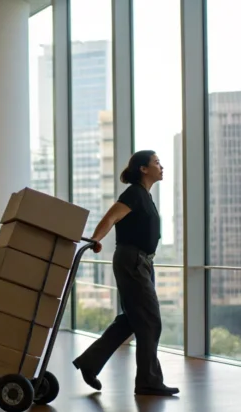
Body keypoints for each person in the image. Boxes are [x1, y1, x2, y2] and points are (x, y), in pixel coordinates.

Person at [72, 150, 180, 396]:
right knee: (150, 320)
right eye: (157, 162)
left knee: (132, 320)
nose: (161, 166)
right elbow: (111, 217)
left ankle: (90, 363)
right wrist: (96, 239)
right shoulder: (133, 193)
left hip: (142, 263)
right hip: (133, 261)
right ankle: (148, 381)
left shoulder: (145, 196)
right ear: (143, 168)